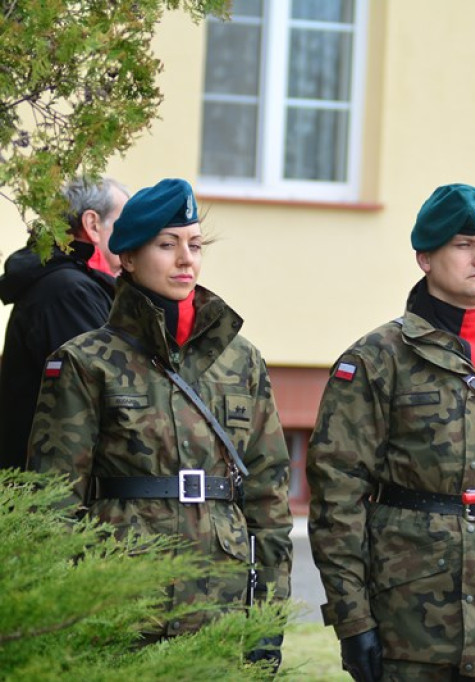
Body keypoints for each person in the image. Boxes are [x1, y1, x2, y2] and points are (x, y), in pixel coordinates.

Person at [306, 183, 475, 682]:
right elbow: (336, 496)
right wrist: (352, 619)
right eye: (464, 245)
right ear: (426, 257)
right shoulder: (379, 359)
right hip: (415, 616)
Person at [27, 178, 293, 668]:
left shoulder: (241, 361)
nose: (185, 259)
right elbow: (55, 501)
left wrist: (267, 618)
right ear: (126, 257)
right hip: (125, 600)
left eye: (194, 245)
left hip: (224, 598)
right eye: (167, 245)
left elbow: (269, 497)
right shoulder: (87, 362)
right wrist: (63, 617)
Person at [0, 176, 129, 470]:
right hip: (56, 494)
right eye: (124, 225)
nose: (133, 239)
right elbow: (108, 394)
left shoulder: (73, 285)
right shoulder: (68, 292)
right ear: (93, 224)